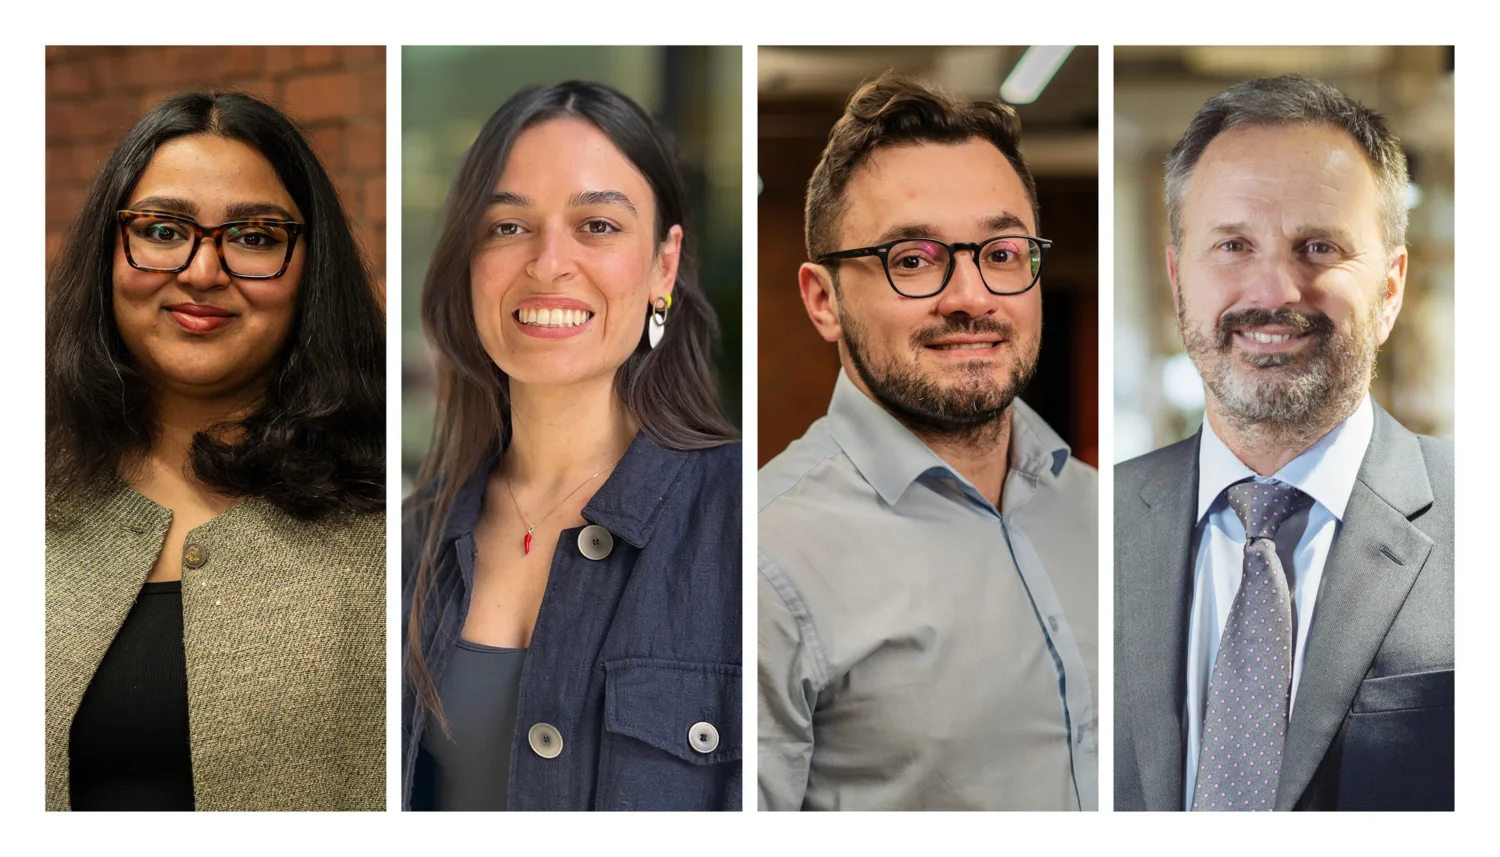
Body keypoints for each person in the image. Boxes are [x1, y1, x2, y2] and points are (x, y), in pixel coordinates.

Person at [757, 73, 1098, 811]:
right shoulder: (762, 561)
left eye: (1003, 254)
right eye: (912, 260)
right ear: (824, 301)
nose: (972, 297)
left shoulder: (1107, 514)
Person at [1114, 75, 1453, 812]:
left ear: (1391, 288)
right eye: (1233, 244)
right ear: (1177, 277)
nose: (1275, 290)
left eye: (1319, 246)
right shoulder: (1083, 530)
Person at [401, 80, 742, 812]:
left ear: (664, 265)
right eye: (507, 227)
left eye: (597, 226)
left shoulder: (748, 522)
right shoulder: (409, 544)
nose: (549, 262)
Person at [44, 91, 386, 811]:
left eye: (256, 237)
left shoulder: (392, 513)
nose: (202, 271)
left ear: (310, 269)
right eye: (163, 229)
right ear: (110, 249)